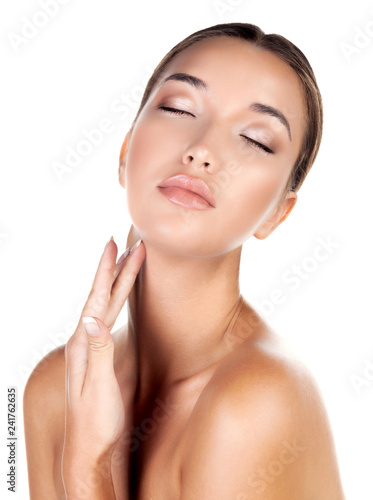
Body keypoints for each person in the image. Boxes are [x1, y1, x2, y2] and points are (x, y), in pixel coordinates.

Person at [23, 22, 346, 499]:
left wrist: (89, 462)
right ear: (126, 149)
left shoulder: (256, 400)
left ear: (277, 212)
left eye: (256, 139)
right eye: (178, 108)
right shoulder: (54, 390)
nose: (202, 152)